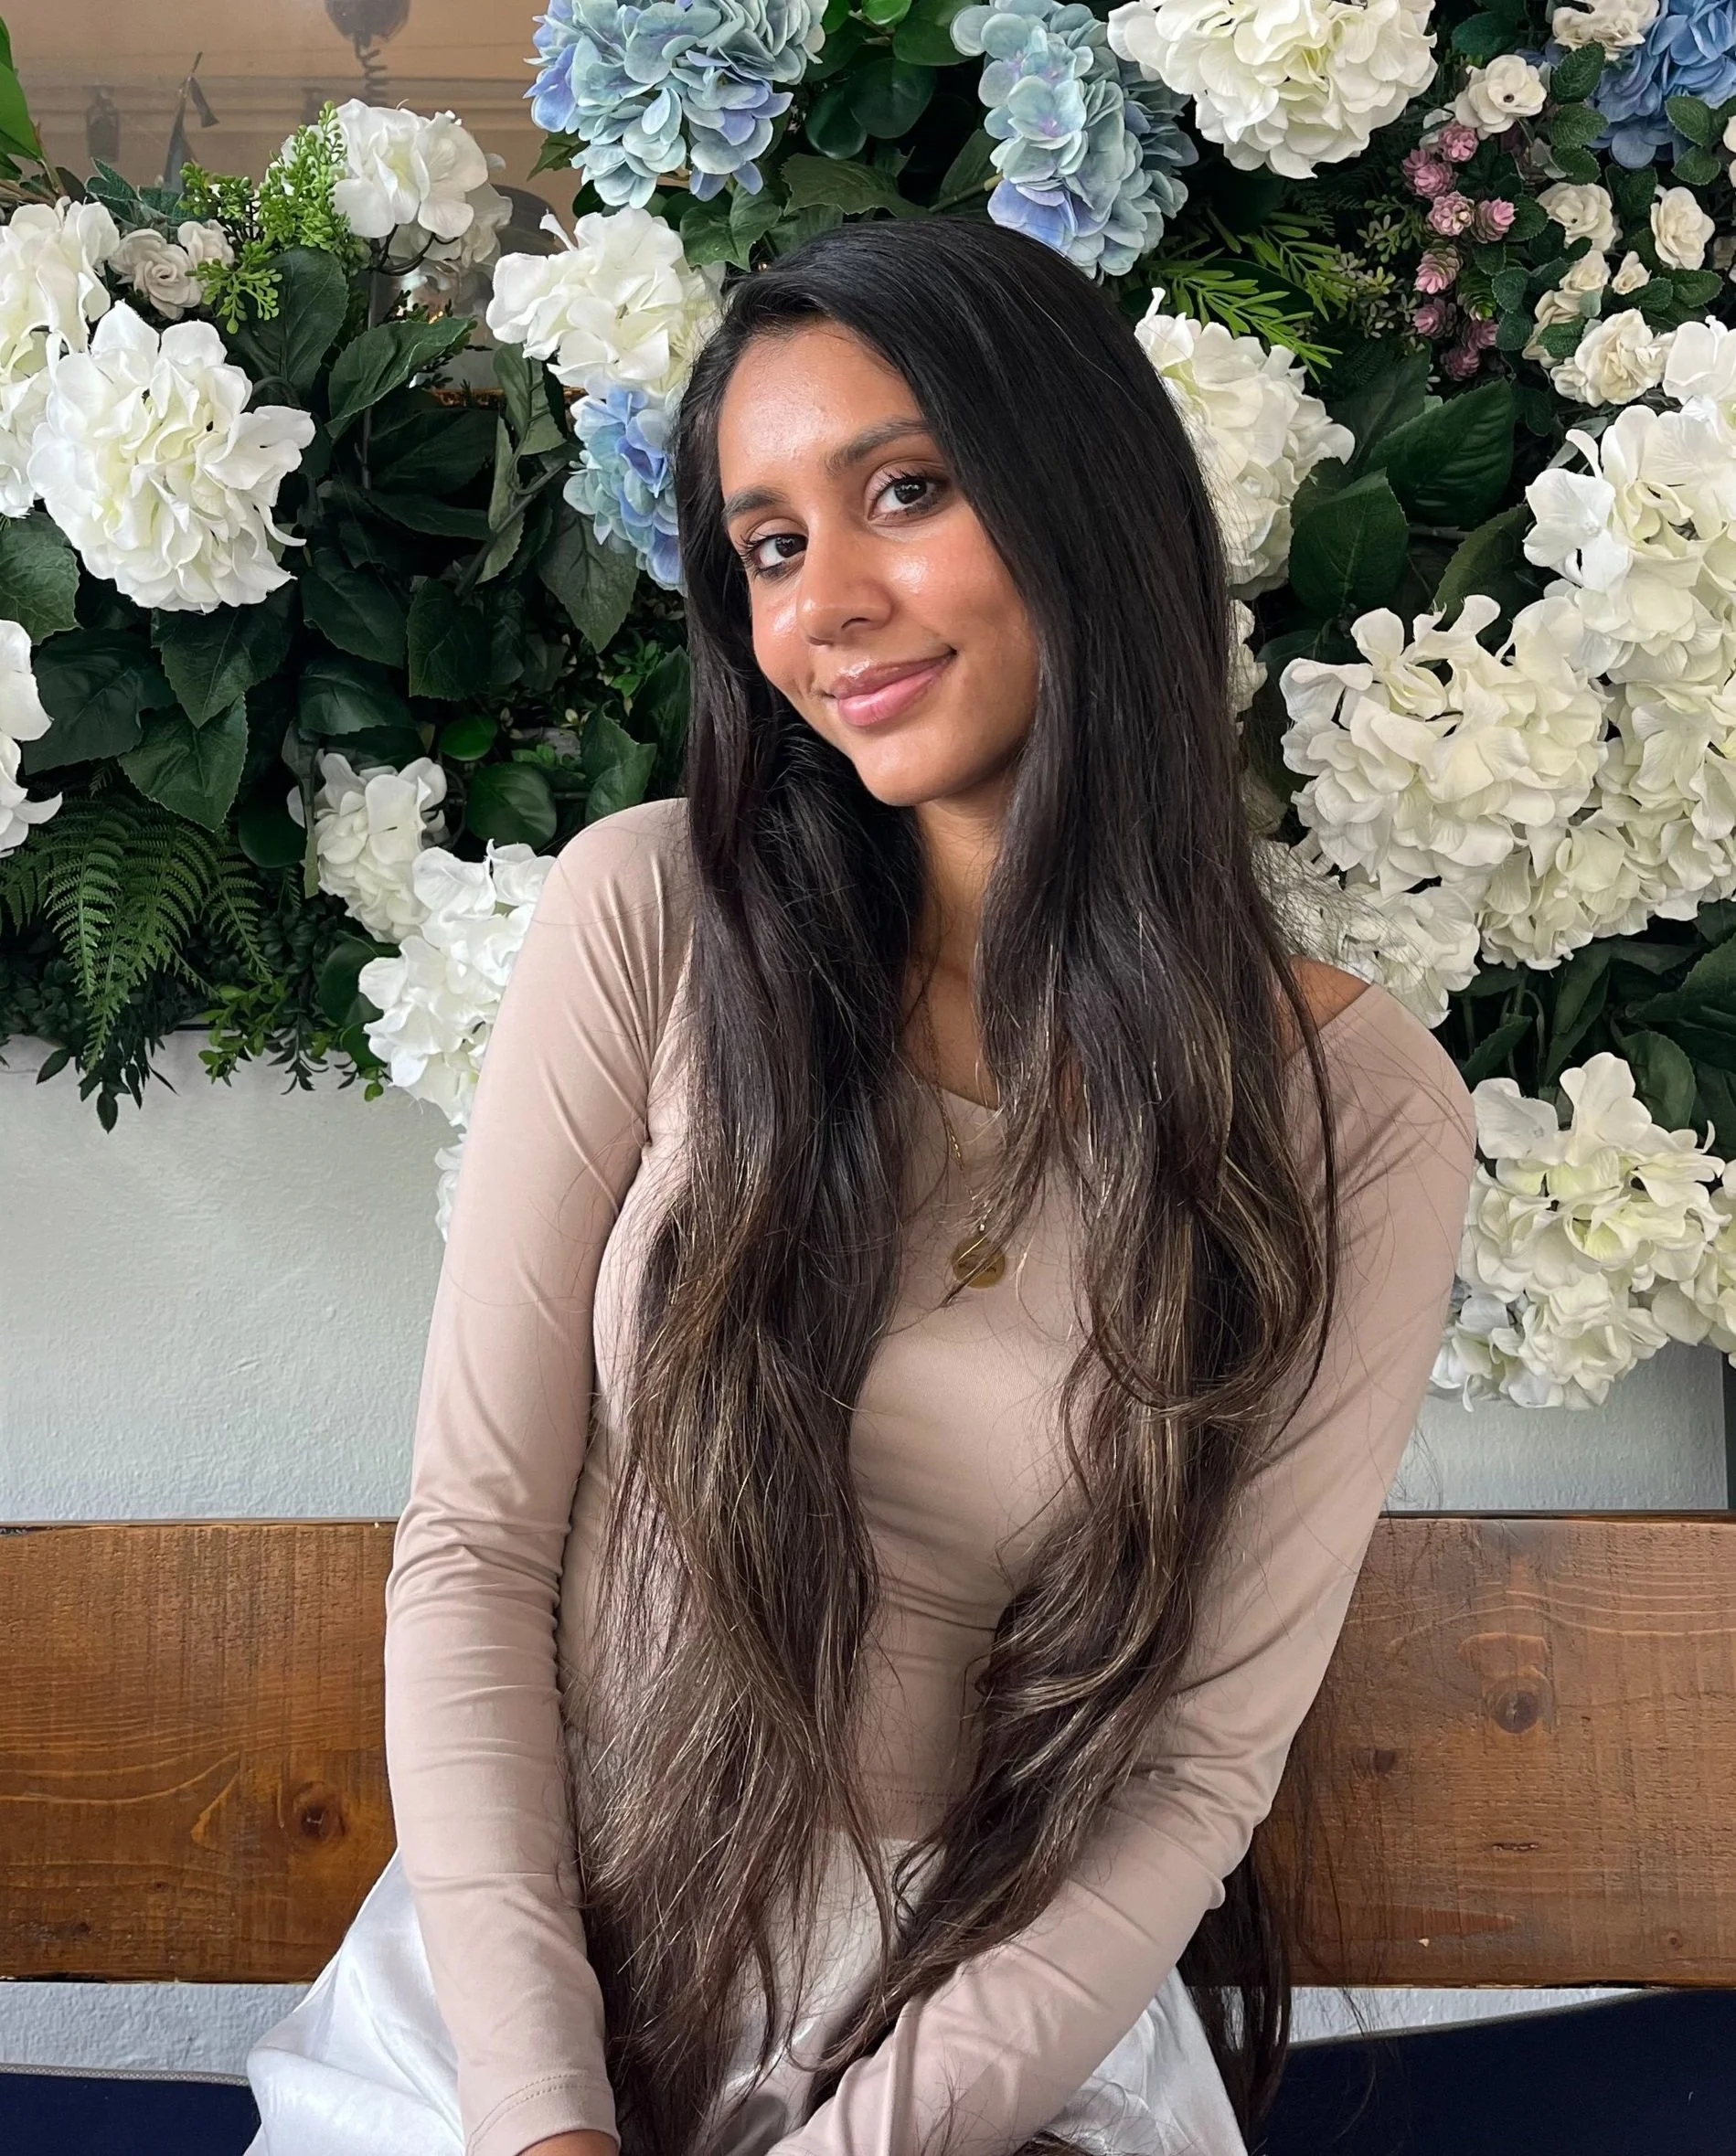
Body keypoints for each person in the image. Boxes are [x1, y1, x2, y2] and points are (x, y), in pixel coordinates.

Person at [244, 217, 1475, 2156]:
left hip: (982, 2058)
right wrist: (547, 2122)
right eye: (769, 546)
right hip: (529, 2011)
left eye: (903, 490)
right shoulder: (651, 915)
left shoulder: (1354, 1110)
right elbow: (473, 1547)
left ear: (1086, 501)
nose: (824, 605)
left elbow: (1193, 1769)